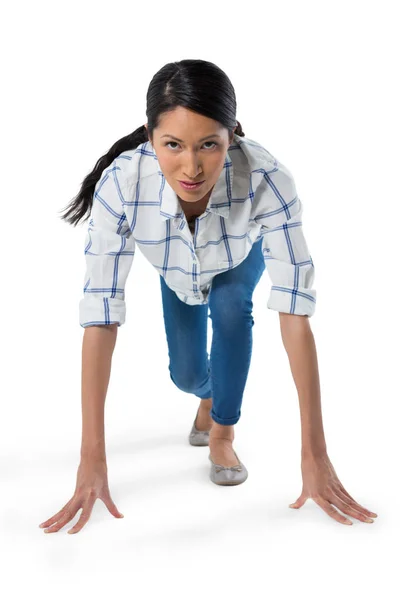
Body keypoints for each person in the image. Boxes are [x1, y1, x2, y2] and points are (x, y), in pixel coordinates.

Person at [38, 59, 378, 534]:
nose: (192, 167)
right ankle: (207, 397)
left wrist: (315, 456)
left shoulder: (267, 178)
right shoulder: (123, 183)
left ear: (232, 135)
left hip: (240, 253)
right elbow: (100, 312)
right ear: (149, 136)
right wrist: (91, 458)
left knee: (230, 307)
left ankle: (222, 430)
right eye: (172, 145)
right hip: (178, 267)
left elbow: (295, 309)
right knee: (188, 373)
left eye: (209, 146)